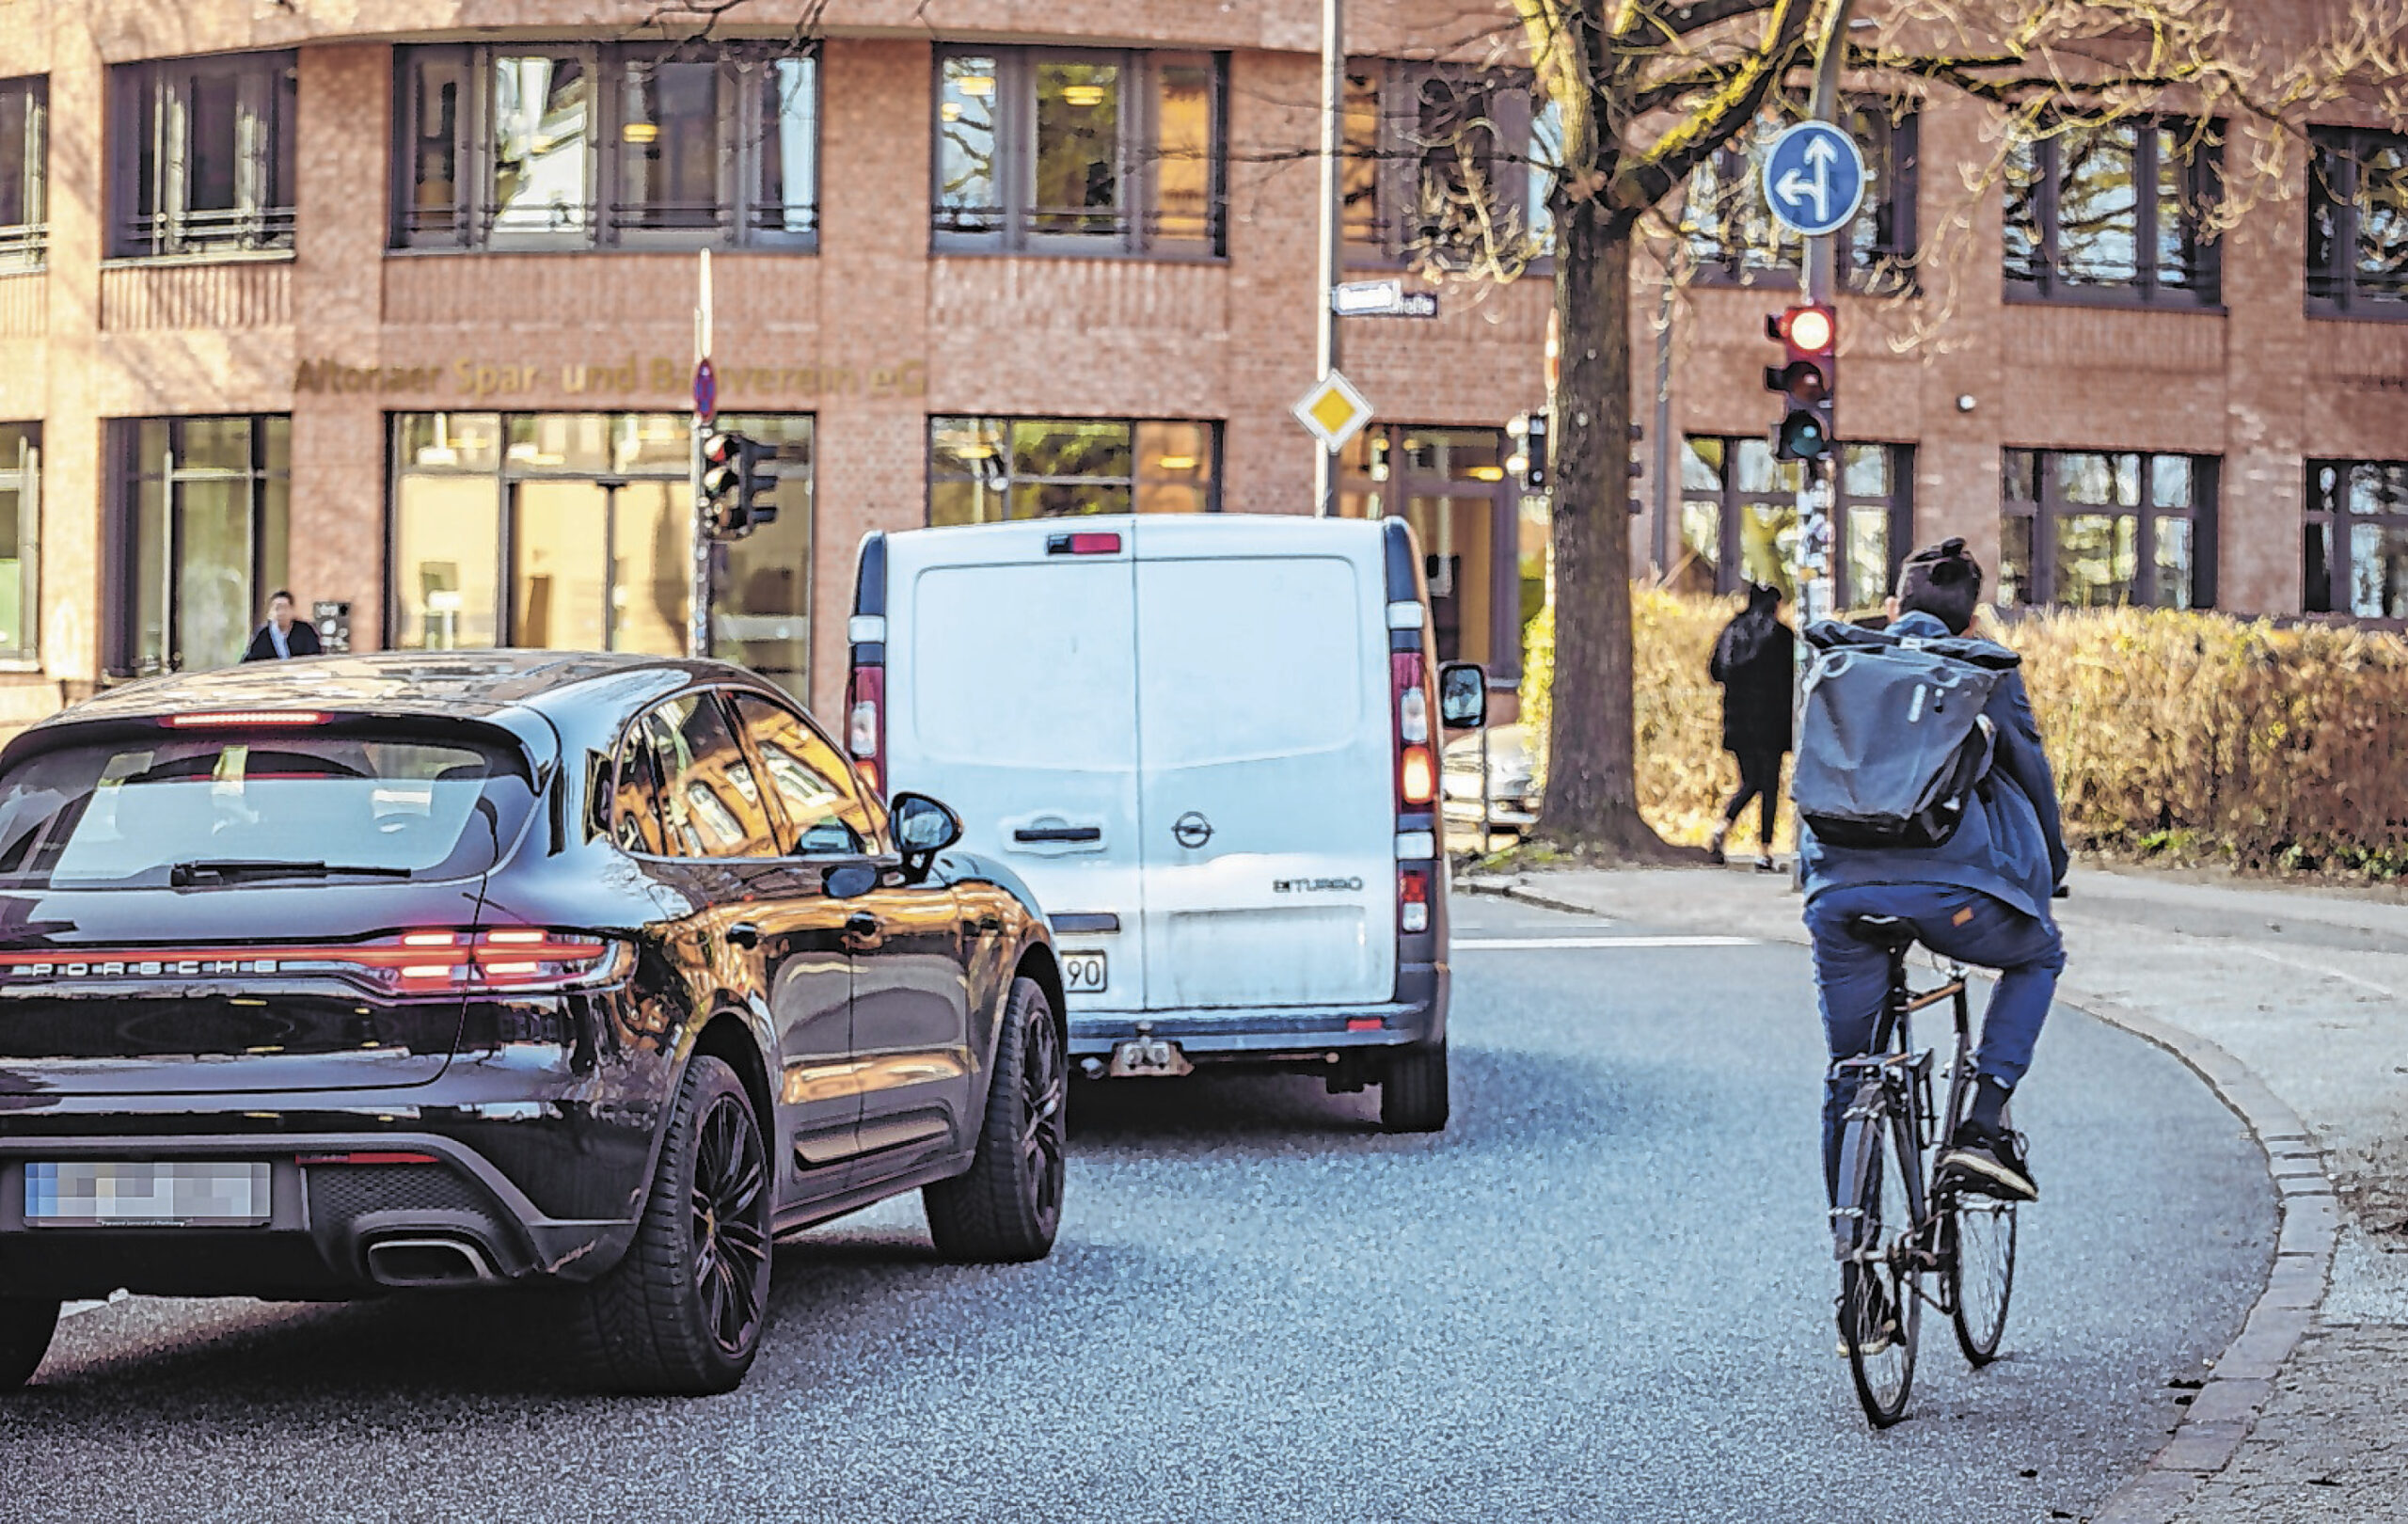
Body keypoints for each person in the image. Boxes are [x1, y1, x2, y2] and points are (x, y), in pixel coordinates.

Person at [1800, 538, 2068, 1206]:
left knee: (1852, 1067)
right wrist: (2052, 864)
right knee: (2040, 956)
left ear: (1892, 608)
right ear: (1971, 623)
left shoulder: (1844, 661)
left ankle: (1854, 1256)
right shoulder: (1980, 666)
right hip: (1957, 893)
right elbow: (2028, 767)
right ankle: (1981, 1127)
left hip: (1839, 894)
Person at [1706, 581, 1795, 872]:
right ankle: (1764, 850)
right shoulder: (1782, 637)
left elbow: (1715, 671)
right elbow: (1793, 680)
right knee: (1769, 786)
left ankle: (1722, 826)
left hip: (1738, 721)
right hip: (1771, 722)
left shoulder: (1732, 631)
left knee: (1750, 781)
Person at [242, 590, 323, 662]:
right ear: (270, 611)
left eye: (285, 608)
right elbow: (250, 660)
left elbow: (315, 657)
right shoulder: (262, 634)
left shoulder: (305, 631)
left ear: (292, 610)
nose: (281, 612)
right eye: (277, 608)